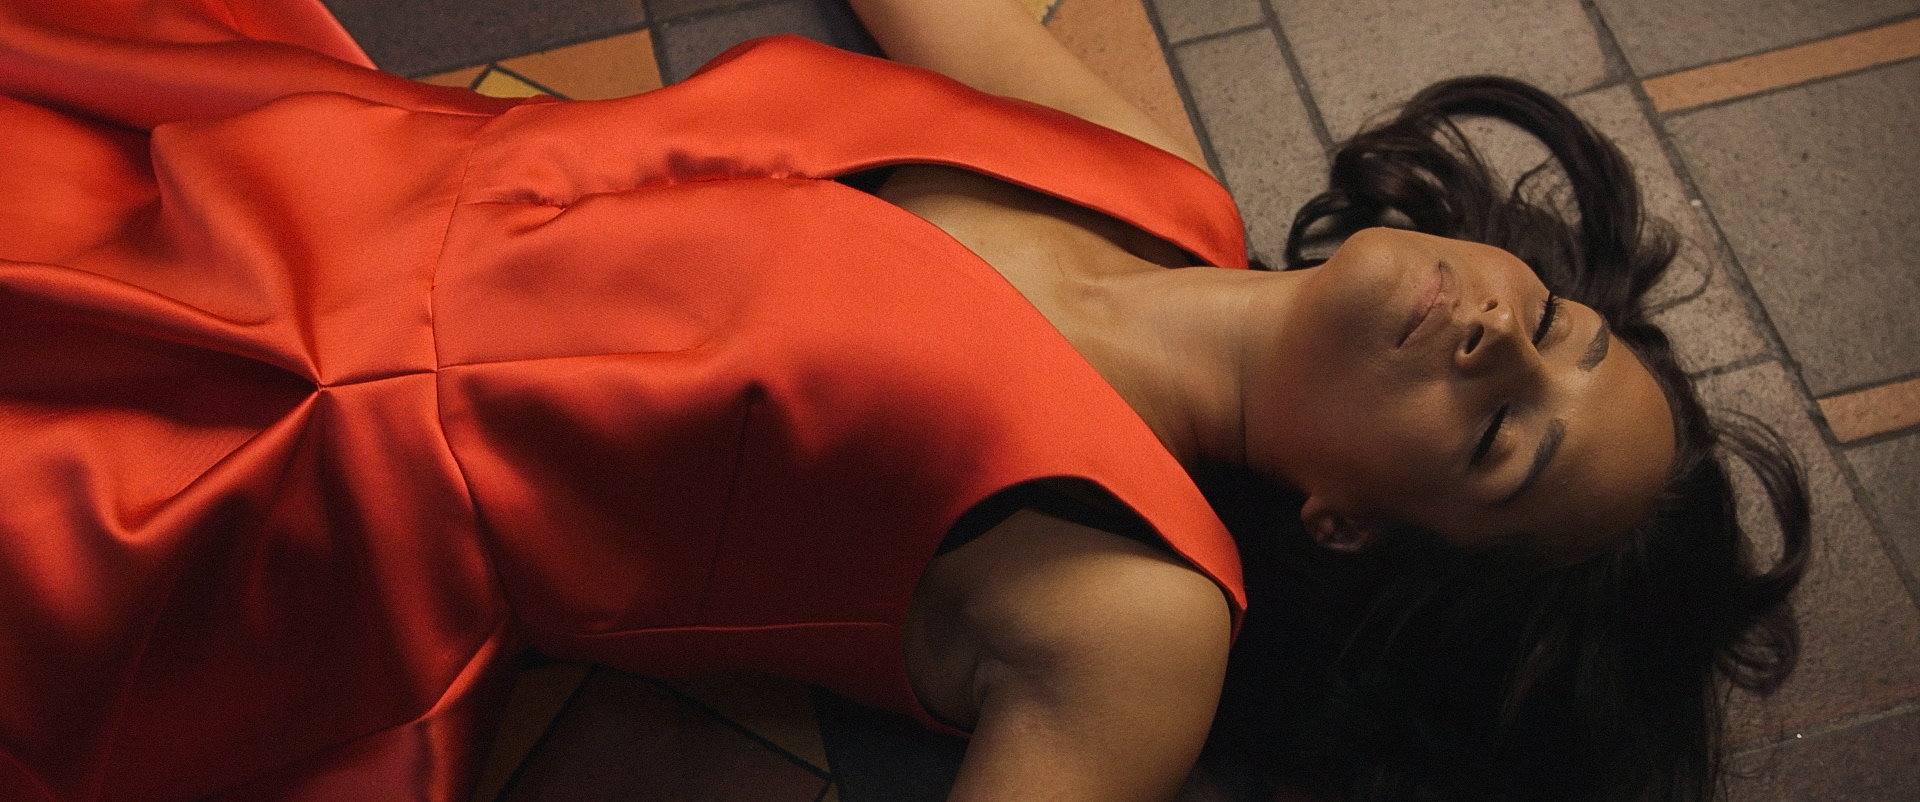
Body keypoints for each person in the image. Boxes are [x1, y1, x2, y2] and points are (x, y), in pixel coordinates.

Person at [0, 1, 1806, 802]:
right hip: (267, 158)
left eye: (1499, 446)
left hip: (246, 476)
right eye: (1557, 325)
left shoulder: (1143, 616)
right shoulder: (1147, 175)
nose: (1500, 340)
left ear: (1350, 528)